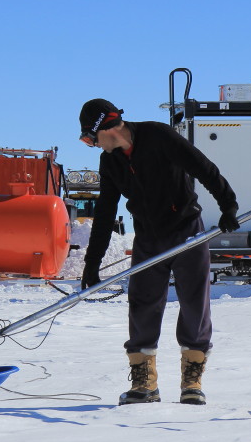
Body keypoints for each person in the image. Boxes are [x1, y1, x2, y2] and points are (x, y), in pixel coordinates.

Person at [78, 98, 239, 405]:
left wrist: (227, 205)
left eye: (90, 138)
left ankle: (192, 381)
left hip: (186, 230)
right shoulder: (110, 162)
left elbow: (204, 168)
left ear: (103, 129)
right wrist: (92, 263)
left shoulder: (158, 136)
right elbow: (104, 213)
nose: (93, 145)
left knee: (194, 302)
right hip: (149, 238)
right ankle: (144, 384)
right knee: (143, 303)